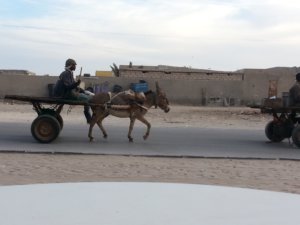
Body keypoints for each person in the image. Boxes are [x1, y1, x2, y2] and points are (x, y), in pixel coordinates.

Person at [53, 58, 92, 123]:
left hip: (66, 93)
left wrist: (83, 90)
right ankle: (88, 117)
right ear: (70, 65)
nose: (75, 67)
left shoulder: (69, 73)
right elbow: (68, 87)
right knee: (88, 99)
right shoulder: (66, 74)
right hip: (65, 94)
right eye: (74, 65)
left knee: (86, 95)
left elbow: (74, 86)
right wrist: (76, 83)